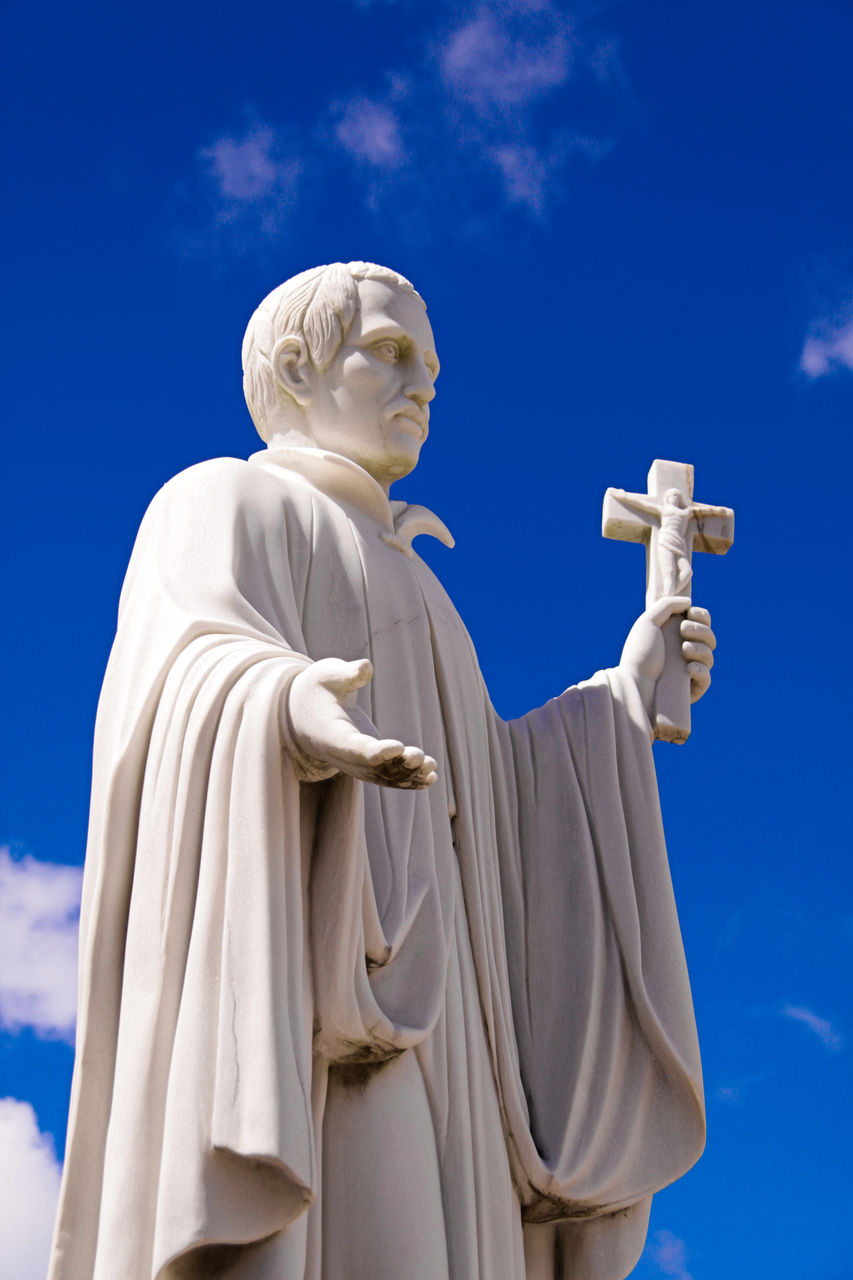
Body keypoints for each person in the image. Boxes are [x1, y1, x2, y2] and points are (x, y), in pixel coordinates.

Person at [50, 262, 717, 1280]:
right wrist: (280, 704)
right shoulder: (224, 498)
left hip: (448, 1004)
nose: (423, 386)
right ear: (294, 366)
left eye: (433, 368)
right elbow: (183, 662)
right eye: (391, 352)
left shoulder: (426, 589)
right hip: (326, 974)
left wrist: (618, 702)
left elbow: (491, 794)